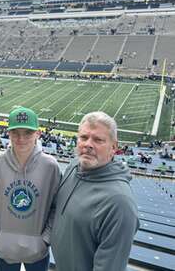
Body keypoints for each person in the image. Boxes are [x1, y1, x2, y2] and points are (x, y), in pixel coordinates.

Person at [51, 111, 139, 271]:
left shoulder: (120, 203)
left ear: (114, 148)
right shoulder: (73, 166)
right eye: (84, 137)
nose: (88, 144)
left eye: (98, 140)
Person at [0, 106, 61, 271]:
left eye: (27, 133)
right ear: (8, 133)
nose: (21, 139)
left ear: (37, 134)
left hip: (37, 250)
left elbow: (56, 207)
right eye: (15, 133)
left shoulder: (50, 166)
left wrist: (45, 239)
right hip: (4, 248)